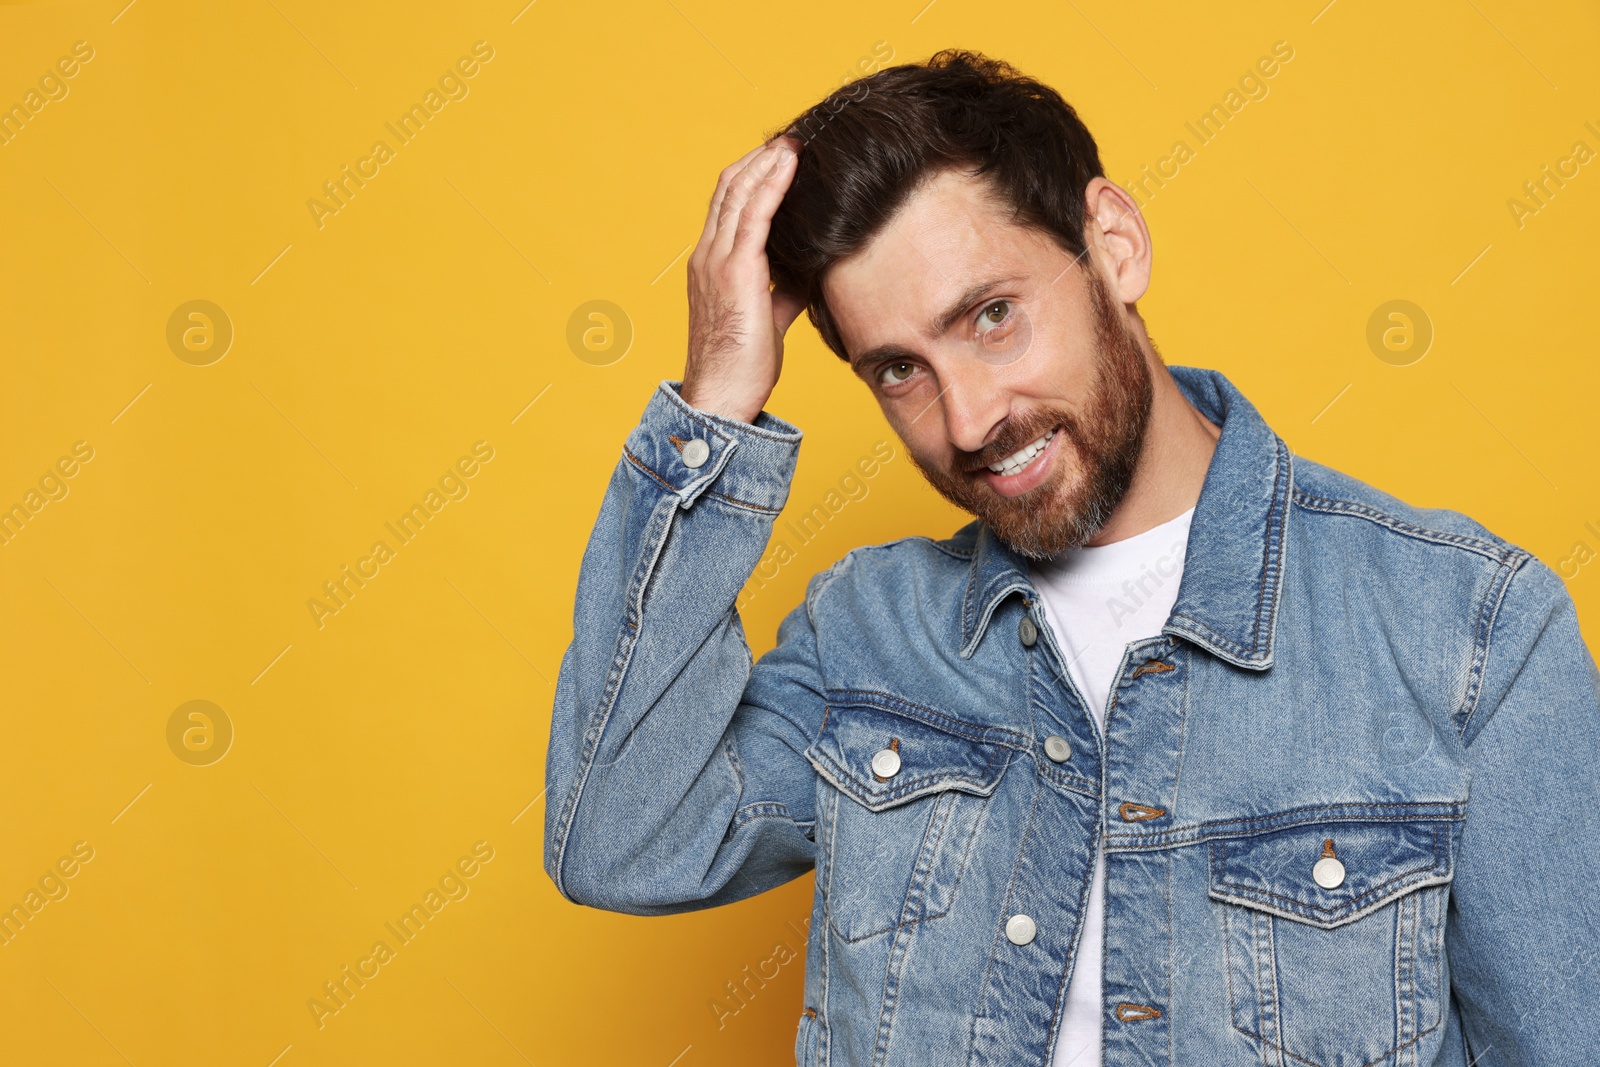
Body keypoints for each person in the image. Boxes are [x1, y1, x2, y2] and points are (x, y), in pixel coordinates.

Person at [542, 49, 1600, 1066]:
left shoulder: (1468, 632)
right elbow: (623, 839)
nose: (967, 418)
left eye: (992, 316)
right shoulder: (869, 630)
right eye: (899, 369)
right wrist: (718, 397)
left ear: (1115, 241)